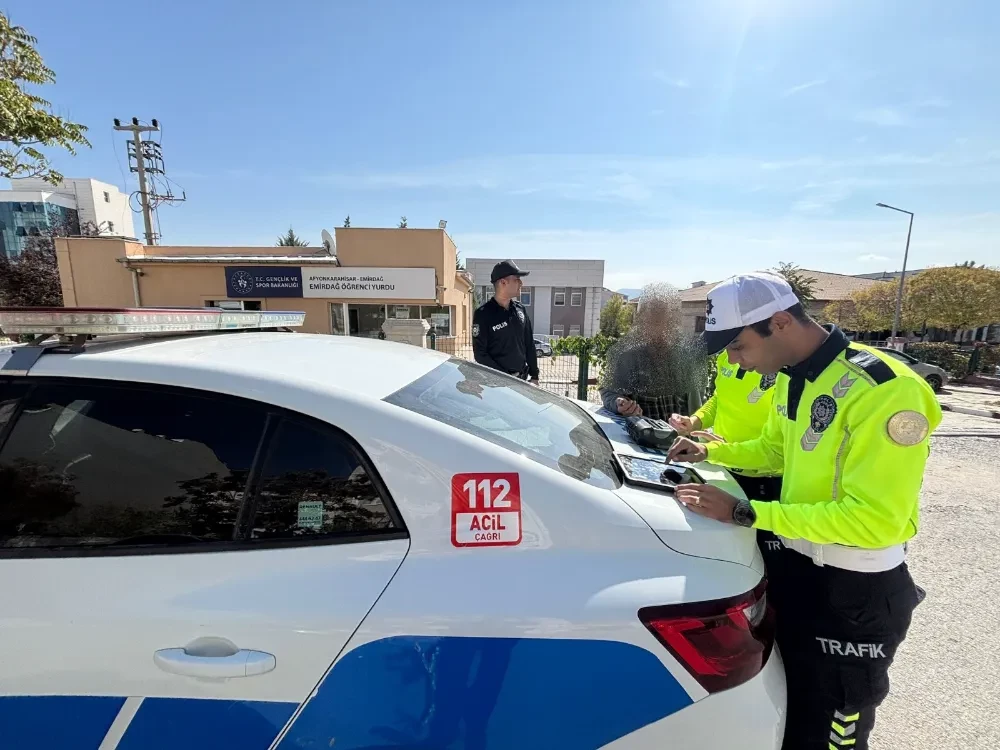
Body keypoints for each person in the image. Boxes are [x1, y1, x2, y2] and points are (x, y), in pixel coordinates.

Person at [666, 271, 940, 750]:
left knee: (830, 733)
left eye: (738, 346)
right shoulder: (794, 377)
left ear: (780, 322)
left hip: (854, 593)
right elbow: (776, 451)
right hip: (799, 570)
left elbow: (872, 520)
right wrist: (710, 451)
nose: (735, 361)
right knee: (789, 718)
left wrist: (747, 513)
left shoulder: (884, 390)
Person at [668, 349, 783, 534]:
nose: (730, 354)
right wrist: (694, 421)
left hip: (762, 478)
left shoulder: (781, 368)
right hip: (721, 465)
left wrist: (713, 450)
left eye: (736, 343)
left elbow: (774, 451)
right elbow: (719, 398)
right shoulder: (727, 356)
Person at [599, 283, 706, 420]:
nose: (661, 328)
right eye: (653, 321)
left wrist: (694, 424)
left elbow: (697, 404)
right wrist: (619, 403)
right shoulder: (628, 358)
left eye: (666, 321)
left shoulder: (685, 358)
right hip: (643, 432)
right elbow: (608, 392)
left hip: (678, 433)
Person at [472, 260, 539, 383]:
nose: (521, 283)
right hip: (497, 384)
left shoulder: (520, 309)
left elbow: (529, 344)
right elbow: (480, 355)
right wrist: (506, 378)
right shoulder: (483, 314)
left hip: (522, 380)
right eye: (517, 279)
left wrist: (534, 375)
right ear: (503, 282)